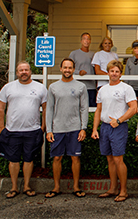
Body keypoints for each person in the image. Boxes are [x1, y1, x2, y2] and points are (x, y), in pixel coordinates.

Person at [0, 61, 47, 199]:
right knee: (13, 160)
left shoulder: (40, 87)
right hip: (12, 131)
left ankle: (26, 186)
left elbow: (46, 109)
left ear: (30, 71)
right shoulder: (8, 87)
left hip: (32, 130)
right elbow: (0, 108)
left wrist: (43, 127)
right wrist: (1, 127)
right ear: (17, 72)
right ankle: (14, 187)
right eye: (20, 70)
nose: (23, 72)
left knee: (28, 159)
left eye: (26, 70)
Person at [91, 60, 138, 202]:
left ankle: (123, 191)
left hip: (118, 127)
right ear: (108, 72)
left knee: (118, 160)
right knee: (110, 160)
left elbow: (133, 108)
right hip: (105, 127)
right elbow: (98, 110)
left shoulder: (126, 88)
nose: (114, 74)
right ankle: (113, 188)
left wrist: (119, 120)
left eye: (117, 71)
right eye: (112, 71)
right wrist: (94, 129)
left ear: (120, 73)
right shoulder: (102, 90)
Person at [45, 58, 89, 199]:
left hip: (75, 128)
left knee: (75, 158)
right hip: (57, 129)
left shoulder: (81, 87)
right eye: (65, 67)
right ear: (60, 68)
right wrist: (49, 130)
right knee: (57, 158)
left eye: (70, 68)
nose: (67, 70)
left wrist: (83, 128)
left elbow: (84, 108)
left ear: (73, 69)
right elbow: (49, 110)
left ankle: (76, 187)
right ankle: (56, 187)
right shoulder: (53, 87)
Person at [69, 32, 97, 107]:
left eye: (88, 39)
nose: (86, 41)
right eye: (84, 39)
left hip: (91, 86)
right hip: (78, 85)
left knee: (91, 107)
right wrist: (79, 72)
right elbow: (69, 68)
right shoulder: (74, 54)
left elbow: (96, 70)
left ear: (90, 41)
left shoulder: (93, 54)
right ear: (81, 41)